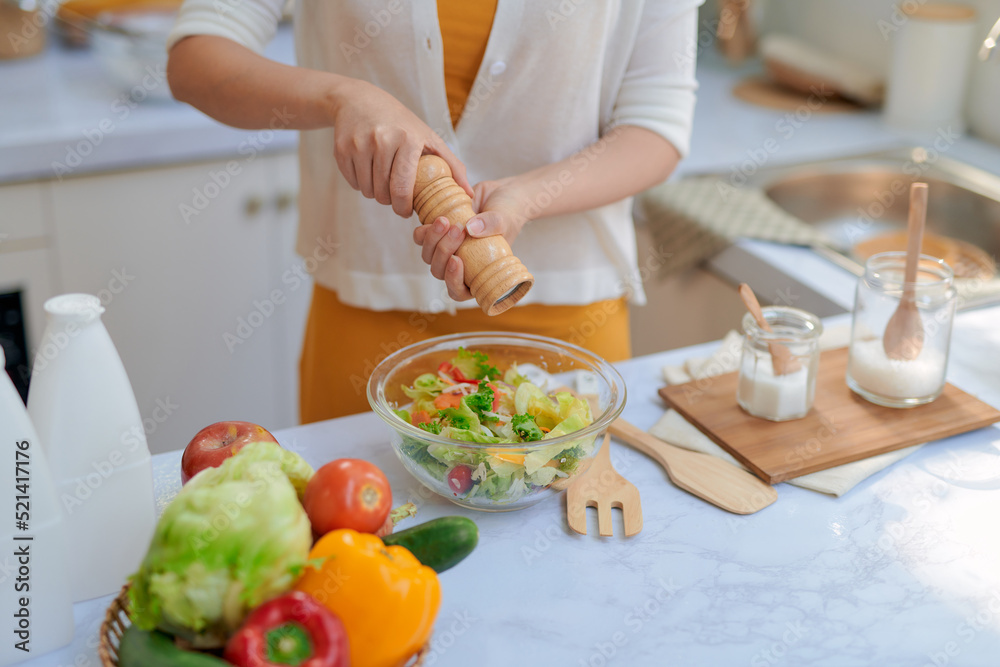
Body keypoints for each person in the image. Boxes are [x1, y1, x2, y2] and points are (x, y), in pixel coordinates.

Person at [166, 1, 703, 422]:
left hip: (565, 328)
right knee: (360, 551)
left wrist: (526, 198)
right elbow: (196, 60)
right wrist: (341, 96)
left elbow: (656, 128)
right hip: (368, 317)